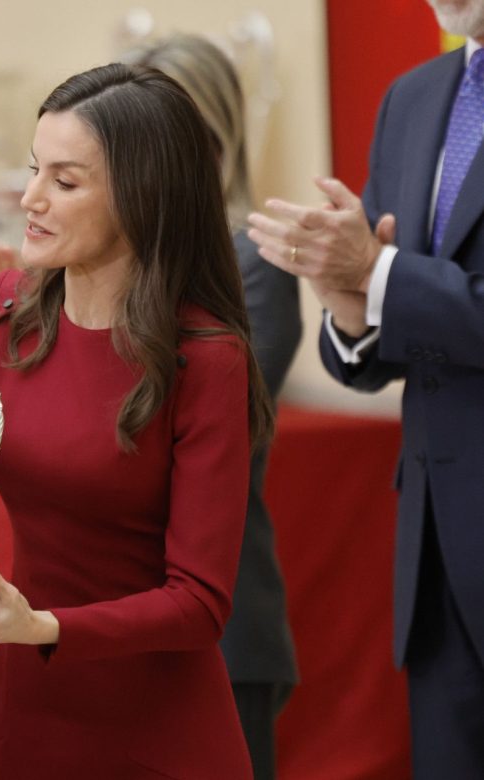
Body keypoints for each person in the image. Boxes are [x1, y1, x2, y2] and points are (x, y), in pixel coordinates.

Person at [0, 63, 273, 777]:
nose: (30, 198)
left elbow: (199, 603)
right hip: (29, 701)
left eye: (64, 182)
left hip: (156, 726)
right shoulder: (8, 308)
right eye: (34, 170)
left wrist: (41, 626)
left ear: (142, 197)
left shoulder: (206, 359)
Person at [247, 2, 484, 775]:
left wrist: (378, 275)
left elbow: (391, 274)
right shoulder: (413, 97)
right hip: (437, 551)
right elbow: (386, 325)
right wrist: (352, 310)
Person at [120, 34, 302, 780]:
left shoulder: (255, 262)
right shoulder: (111, 264)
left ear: (215, 140)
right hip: (113, 622)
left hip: (219, 628)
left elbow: (196, 430)